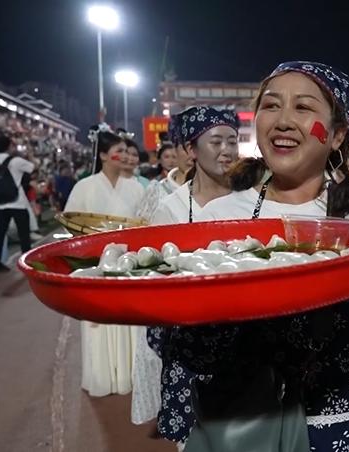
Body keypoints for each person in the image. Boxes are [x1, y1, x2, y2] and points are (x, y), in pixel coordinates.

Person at [151, 61, 349, 451]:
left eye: (303, 108)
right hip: (251, 428)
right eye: (272, 105)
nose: (282, 121)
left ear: (337, 134)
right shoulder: (222, 218)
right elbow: (185, 344)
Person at [130, 106, 240, 429]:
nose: (227, 151)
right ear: (191, 149)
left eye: (233, 141)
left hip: (246, 340)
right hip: (191, 341)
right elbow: (159, 276)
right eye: (216, 141)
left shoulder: (251, 199)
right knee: (194, 436)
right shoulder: (171, 207)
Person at [64, 127, 145, 397]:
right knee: (97, 323)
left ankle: (128, 377)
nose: (123, 156)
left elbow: (144, 224)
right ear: (102, 155)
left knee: (128, 321)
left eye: (126, 151)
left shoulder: (135, 188)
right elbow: (72, 224)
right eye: (117, 151)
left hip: (127, 264)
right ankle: (100, 377)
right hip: (95, 263)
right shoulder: (84, 186)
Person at [0, 135, 34, 273]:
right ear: (9, 146)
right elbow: (32, 168)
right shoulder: (16, 161)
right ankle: (27, 264)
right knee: (24, 234)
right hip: (17, 202)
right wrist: (26, 155)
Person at [136, 116, 193, 221]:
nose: (191, 155)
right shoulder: (156, 189)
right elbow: (141, 224)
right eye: (186, 148)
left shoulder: (211, 191)